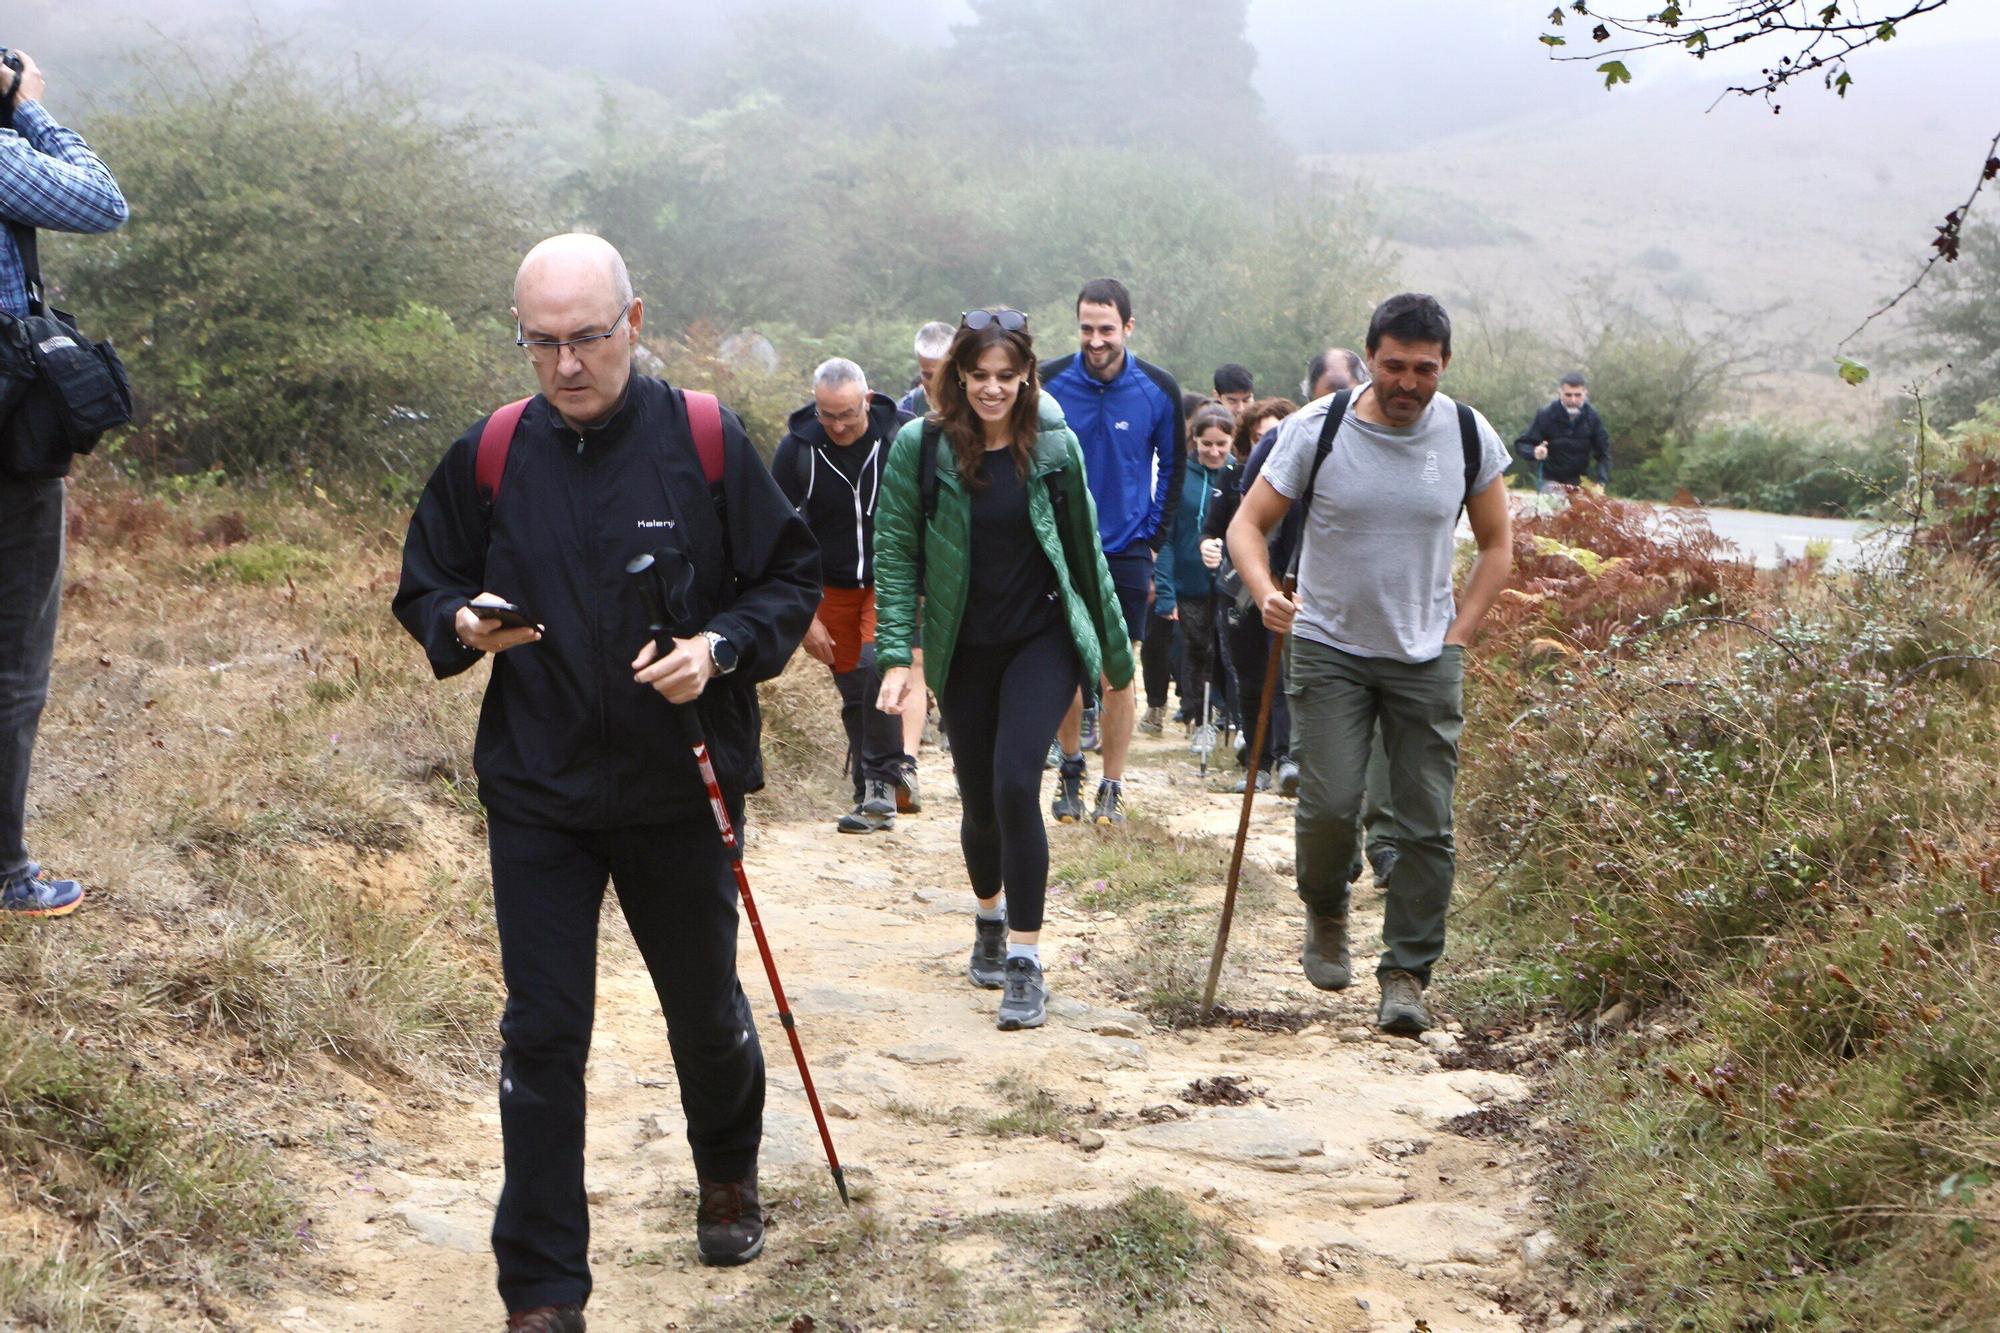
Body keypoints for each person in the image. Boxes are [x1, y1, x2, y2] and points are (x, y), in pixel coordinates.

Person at [393, 234, 819, 1332]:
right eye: (543, 342)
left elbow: (788, 579)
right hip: (538, 788)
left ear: (635, 321)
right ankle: (541, 1287)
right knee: (542, 1031)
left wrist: (718, 648)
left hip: (681, 785)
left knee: (701, 1012)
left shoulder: (708, 439)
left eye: (587, 337)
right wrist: (457, 620)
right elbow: (426, 578)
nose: (567, 364)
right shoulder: (489, 452)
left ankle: (724, 1169)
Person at [1228, 294, 1513, 1037]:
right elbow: (1248, 525)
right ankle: (1326, 907)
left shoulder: (1466, 434)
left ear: (1444, 365)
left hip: (1425, 653)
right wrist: (1264, 594)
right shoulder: (1315, 430)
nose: (1409, 383)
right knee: (1328, 807)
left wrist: (1460, 632)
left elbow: (1496, 544)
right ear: (1369, 360)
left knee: (1426, 825)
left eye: (1424, 368)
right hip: (1328, 646)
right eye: (1394, 366)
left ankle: (1407, 974)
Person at [874, 308, 1132, 1031]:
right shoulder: (919, 449)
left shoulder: (1054, 445)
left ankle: (1026, 957)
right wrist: (898, 653)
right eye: (979, 376)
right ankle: (987, 914)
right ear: (958, 375)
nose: (992, 390)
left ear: (1027, 378)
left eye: (1006, 377)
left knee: (1019, 781)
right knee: (979, 799)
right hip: (963, 644)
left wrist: (1114, 657)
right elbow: (895, 555)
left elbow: (1087, 552)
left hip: (1040, 638)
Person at [0, 48, 128, 919]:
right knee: (15, 653)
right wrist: (29, 105)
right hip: (9, 440)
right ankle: (8, 872)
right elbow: (100, 199)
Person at [1040, 278, 1184, 825]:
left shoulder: (1158, 388)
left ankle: (1112, 786)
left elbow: (1171, 470)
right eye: (1085, 328)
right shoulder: (1048, 381)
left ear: (1127, 326)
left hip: (1124, 550)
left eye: (1106, 329)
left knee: (1116, 672)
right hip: (1056, 546)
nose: (1095, 340)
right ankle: (1071, 768)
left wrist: (1151, 541)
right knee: (1060, 664)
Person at [771, 358, 913, 832]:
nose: (838, 425)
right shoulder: (797, 450)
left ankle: (883, 783)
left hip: (890, 578)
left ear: (867, 401)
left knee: (877, 670)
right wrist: (804, 614)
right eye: (828, 415)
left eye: (848, 413)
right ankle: (870, 795)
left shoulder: (903, 438)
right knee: (854, 693)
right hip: (828, 588)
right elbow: (776, 532)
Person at [1143, 403, 1234, 737]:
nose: (1213, 451)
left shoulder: (1239, 474)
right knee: (1193, 650)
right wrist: (1165, 590)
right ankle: (1199, 718)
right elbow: (1165, 537)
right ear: (1193, 439)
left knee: (1223, 652)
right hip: (1188, 582)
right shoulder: (1178, 476)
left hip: (1228, 583)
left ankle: (1225, 714)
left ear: (1231, 441)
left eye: (1221, 444)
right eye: (1206, 443)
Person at [1515, 372, 1610, 491]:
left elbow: (1603, 453)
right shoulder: (1546, 414)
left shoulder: (1592, 416)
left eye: (1578, 395)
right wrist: (1535, 452)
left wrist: (1601, 481)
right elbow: (1521, 444)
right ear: (1560, 393)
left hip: (1580, 482)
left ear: (1585, 394)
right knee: (1557, 503)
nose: (1573, 400)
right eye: (1568, 395)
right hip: (1550, 481)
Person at [897, 319, 955, 418]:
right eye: (928, 376)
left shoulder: (976, 406)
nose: (935, 385)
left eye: (944, 376)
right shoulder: (906, 409)